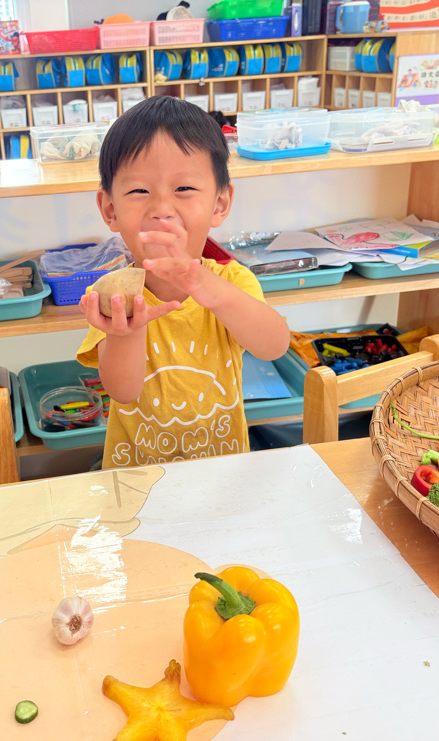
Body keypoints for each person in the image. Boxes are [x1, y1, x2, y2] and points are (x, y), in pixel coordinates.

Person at [76, 95, 289, 469]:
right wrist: (125, 333)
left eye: (184, 189)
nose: (162, 210)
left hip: (222, 474)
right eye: (139, 191)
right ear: (110, 209)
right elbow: (123, 392)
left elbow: (274, 346)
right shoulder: (114, 295)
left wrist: (212, 290)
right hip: (138, 478)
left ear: (219, 204)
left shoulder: (231, 280)